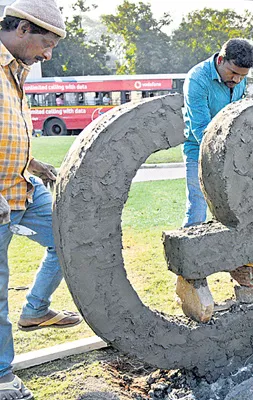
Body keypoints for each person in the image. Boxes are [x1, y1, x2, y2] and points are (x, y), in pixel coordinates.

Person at [0, 1, 82, 398]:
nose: (48, 55)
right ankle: (1, 378)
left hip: (23, 189)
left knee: (71, 237)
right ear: (21, 30)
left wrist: (32, 163)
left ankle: (35, 310)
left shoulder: (17, 70)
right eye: (45, 45)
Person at [182, 39, 253, 293]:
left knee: (239, 208)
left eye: (242, 76)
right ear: (220, 60)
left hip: (232, 153)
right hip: (200, 152)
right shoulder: (197, 79)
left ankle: (239, 264)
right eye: (233, 73)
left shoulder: (240, 79)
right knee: (197, 210)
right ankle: (189, 271)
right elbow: (200, 129)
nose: (237, 80)